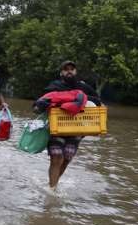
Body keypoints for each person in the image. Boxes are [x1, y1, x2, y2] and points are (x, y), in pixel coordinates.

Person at [39, 61, 101, 189]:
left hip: (77, 130)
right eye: (66, 69)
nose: (69, 71)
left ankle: (53, 184)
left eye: (72, 69)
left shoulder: (83, 87)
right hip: (57, 128)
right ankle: (52, 189)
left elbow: (98, 102)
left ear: (75, 72)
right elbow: (42, 100)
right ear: (61, 72)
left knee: (66, 158)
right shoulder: (54, 86)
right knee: (57, 157)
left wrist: (80, 98)